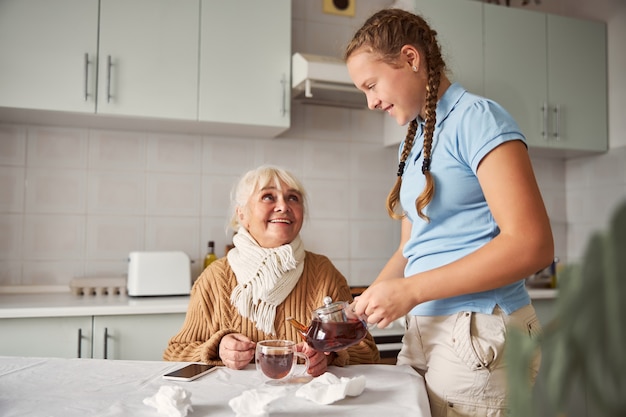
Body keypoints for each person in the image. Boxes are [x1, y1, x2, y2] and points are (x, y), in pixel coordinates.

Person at [344, 8, 554, 417]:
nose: (370, 102)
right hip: (425, 331)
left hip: (478, 332)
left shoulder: (477, 119)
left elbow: (533, 245)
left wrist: (409, 292)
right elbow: (411, 249)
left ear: (410, 58)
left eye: (371, 85)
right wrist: (360, 311)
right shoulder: (420, 139)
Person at [163, 165, 380, 376]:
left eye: (293, 198)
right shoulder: (214, 278)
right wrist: (217, 349)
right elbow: (174, 354)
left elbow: (368, 353)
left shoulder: (324, 272)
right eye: (268, 197)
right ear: (242, 214)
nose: (284, 206)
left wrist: (330, 355)